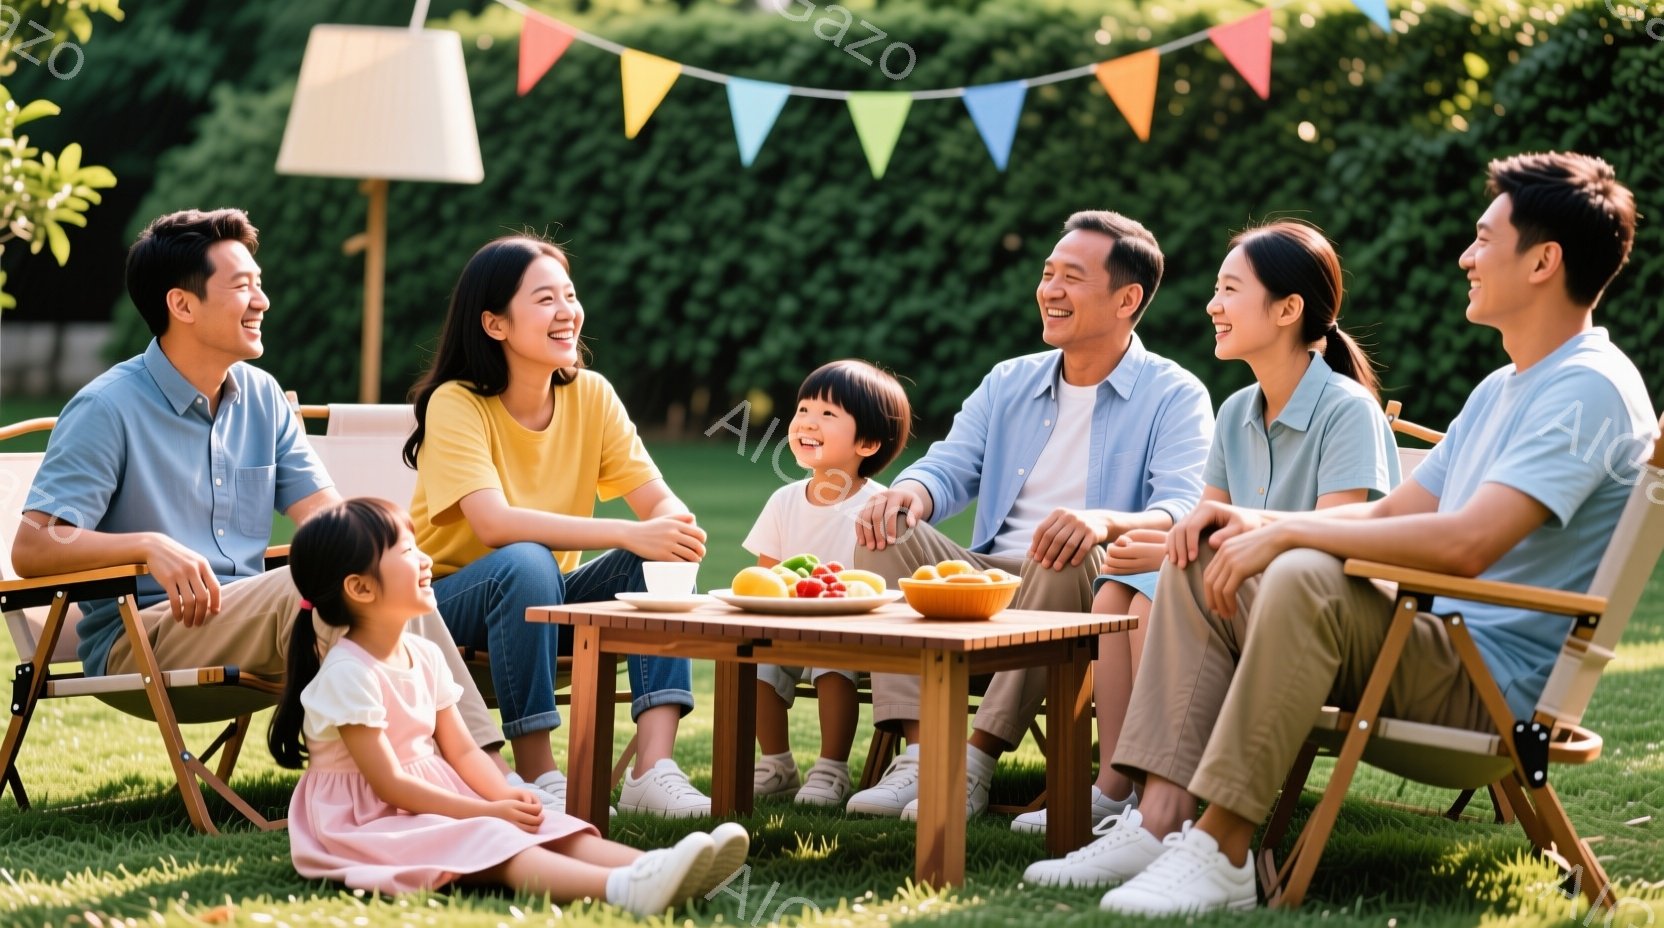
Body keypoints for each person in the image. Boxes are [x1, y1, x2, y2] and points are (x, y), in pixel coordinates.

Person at [1093, 152, 1656, 916]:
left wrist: (1286, 540)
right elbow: (1394, 515)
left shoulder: (1587, 388)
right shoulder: (1504, 386)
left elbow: (1467, 544)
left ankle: (1222, 850)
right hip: (1434, 644)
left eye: (1485, 240)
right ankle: (1161, 820)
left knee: (1305, 574)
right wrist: (1253, 523)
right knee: (1203, 553)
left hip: (1485, 683)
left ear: (1543, 261)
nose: (1466, 257)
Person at [11, 208, 502, 755]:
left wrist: (389, 551)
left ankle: (460, 767)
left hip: (245, 616)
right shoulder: (107, 408)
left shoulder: (262, 396)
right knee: (323, 587)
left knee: (375, 567)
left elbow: (327, 517)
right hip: (143, 635)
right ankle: (464, 771)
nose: (262, 301)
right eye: (242, 286)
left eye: (258, 284)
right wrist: (148, 546)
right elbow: (32, 547)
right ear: (182, 305)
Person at [1019, 219, 1399, 856]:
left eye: (1230, 290)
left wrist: (1184, 556)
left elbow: (1340, 539)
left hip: (1317, 612)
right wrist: (1164, 547)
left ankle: (1157, 797)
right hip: (1238, 589)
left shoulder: (1346, 410)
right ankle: (1117, 788)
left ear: (1287, 310)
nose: (1212, 305)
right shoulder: (1237, 411)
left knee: (1153, 595)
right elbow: (1205, 525)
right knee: (1117, 587)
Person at [847, 211, 1214, 820]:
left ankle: (975, 760)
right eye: (1048, 274)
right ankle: (918, 755)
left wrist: (1103, 523)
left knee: (1065, 550)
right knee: (886, 531)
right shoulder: (1008, 381)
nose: (1050, 290)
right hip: (990, 578)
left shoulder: (1175, 394)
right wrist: (908, 492)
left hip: (1085, 583)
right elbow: (949, 465)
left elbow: (1182, 507)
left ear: (1127, 299)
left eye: (1072, 277)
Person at [268, 498, 749, 907]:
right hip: (368, 819)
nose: (425, 560)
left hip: (427, 797)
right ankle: (621, 888)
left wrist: (500, 794)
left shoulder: (424, 654)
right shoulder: (348, 675)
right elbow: (389, 785)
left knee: (549, 824)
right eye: (407, 551)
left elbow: (463, 751)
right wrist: (482, 811)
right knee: (495, 838)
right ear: (360, 587)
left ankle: (661, 867)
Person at [405, 235, 709, 817]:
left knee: (661, 554)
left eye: (570, 295)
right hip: (444, 610)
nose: (567, 311)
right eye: (545, 299)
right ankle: (539, 770)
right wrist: (626, 532)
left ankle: (652, 770)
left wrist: (673, 532)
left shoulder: (592, 396)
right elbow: (494, 524)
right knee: (526, 558)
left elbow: (662, 506)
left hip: (546, 606)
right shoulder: (456, 402)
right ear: (495, 324)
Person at [746, 360, 912, 808]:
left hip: (852, 633)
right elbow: (765, 580)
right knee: (757, 664)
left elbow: (890, 583)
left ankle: (831, 768)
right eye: (803, 410)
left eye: (827, 414)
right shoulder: (783, 500)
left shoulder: (877, 506)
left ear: (867, 443)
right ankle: (776, 763)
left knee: (831, 662)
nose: (807, 422)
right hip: (789, 626)